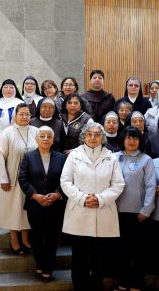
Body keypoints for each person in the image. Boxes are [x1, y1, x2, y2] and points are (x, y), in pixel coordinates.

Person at [60, 122, 125, 291]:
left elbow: (118, 184)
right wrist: (82, 198)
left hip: (103, 211)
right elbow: (65, 181)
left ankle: (96, 287)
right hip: (80, 211)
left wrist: (100, 199)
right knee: (80, 257)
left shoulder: (111, 157)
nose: (93, 137)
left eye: (97, 134)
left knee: (100, 257)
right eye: (90, 134)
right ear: (84, 136)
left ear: (102, 137)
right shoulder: (74, 156)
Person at [18, 126, 66, 282]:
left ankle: (48, 269)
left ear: (53, 140)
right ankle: (39, 263)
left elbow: (67, 179)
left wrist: (57, 193)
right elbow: (23, 179)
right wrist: (35, 195)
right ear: (36, 138)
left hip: (55, 204)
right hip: (34, 204)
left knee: (51, 237)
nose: (45, 138)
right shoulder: (28, 157)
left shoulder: (61, 157)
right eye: (42, 136)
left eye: (48, 136)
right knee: (36, 237)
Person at [115, 126, 156, 291]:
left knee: (139, 251)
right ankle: (123, 283)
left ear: (140, 141)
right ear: (122, 140)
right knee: (121, 251)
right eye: (128, 137)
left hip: (138, 214)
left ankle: (137, 284)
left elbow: (151, 186)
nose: (132, 141)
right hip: (116, 213)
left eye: (135, 138)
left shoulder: (146, 160)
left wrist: (146, 210)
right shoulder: (113, 158)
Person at [0, 103, 39, 254]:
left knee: (26, 210)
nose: (24, 117)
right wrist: (4, 179)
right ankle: (14, 239)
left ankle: (26, 239)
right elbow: (1, 156)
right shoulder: (7, 133)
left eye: (27, 114)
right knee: (13, 209)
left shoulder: (36, 131)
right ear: (15, 115)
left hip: (31, 179)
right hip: (12, 177)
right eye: (21, 114)